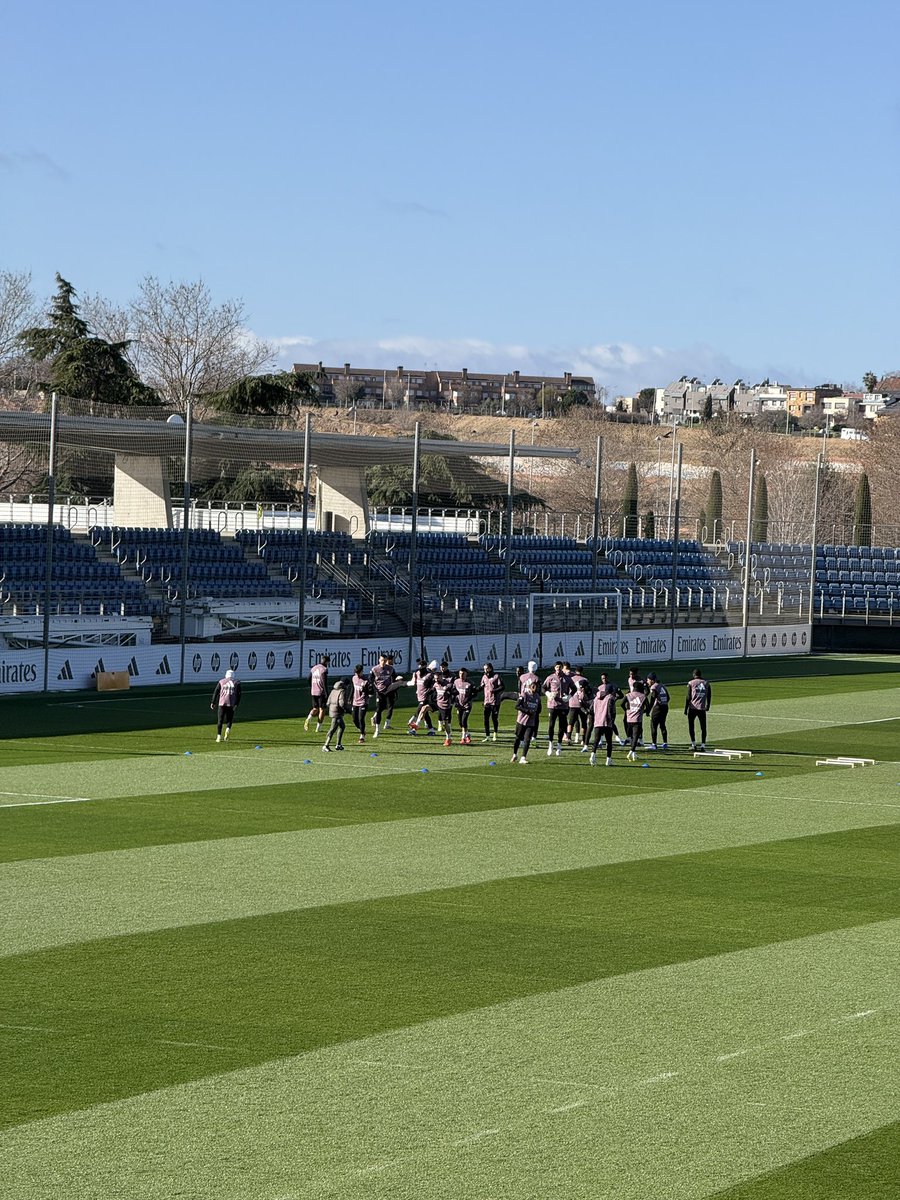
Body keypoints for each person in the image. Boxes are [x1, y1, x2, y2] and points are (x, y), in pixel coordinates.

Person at [542, 661, 574, 756]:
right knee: (551, 725)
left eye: (560, 667)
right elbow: (543, 688)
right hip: (552, 705)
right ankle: (550, 744)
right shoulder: (551, 677)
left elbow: (575, 689)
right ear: (554, 668)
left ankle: (559, 745)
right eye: (557, 667)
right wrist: (548, 694)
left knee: (562, 726)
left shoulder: (567, 678)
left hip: (563, 706)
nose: (558, 669)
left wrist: (569, 696)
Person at [589, 676, 620, 766]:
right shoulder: (610, 698)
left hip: (597, 722)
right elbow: (611, 711)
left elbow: (591, 710)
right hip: (606, 722)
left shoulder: (596, 698)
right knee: (609, 742)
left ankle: (592, 755)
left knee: (596, 740)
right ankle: (608, 759)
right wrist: (612, 720)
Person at [368, 653, 401, 739]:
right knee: (379, 710)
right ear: (379, 660)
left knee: (390, 706)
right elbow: (370, 679)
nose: (383, 662)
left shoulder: (390, 669)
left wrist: (398, 678)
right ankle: (377, 730)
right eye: (382, 660)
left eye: (385, 661)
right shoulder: (375, 669)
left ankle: (387, 723)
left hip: (389, 691)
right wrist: (372, 688)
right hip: (380, 692)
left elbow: (394, 677)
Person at [511, 678, 541, 764]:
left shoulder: (537, 697)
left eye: (536, 686)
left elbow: (539, 709)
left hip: (531, 722)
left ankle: (523, 757)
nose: (535, 688)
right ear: (530, 687)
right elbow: (517, 706)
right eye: (533, 686)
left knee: (527, 739)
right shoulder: (524, 695)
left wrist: (535, 712)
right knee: (517, 738)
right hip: (521, 721)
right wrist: (527, 711)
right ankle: (515, 754)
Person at [407, 658, 437, 735]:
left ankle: (413, 727)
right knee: (425, 714)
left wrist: (428, 692)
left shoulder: (429, 675)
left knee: (420, 710)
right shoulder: (417, 673)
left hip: (426, 697)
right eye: (419, 666)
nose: (420, 669)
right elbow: (414, 682)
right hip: (419, 696)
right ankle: (431, 730)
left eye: (422, 667)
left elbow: (433, 686)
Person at [211, 668, 241, 742]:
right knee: (229, 719)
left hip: (222, 703)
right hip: (231, 703)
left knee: (220, 720)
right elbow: (239, 694)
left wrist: (213, 702)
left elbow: (216, 692)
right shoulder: (236, 682)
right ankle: (227, 729)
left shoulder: (221, 681)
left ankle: (218, 736)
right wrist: (237, 703)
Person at [685, 667, 712, 749]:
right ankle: (703, 744)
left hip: (692, 707)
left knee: (691, 726)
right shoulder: (706, 683)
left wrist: (685, 708)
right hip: (702, 708)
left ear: (694, 675)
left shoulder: (691, 683)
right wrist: (708, 705)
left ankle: (693, 744)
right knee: (703, 727)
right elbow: (709, 695)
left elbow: (688, 697)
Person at [322, 678, 351, 752]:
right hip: (337, 712)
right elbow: (342, 704)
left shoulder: (333, 690)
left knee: (342, 726)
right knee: (333, 729)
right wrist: (348, 710)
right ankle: (326, 745)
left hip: (332, 711)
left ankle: (338, 744)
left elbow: (328, 702)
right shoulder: (342, 691)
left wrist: (332, 708)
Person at [621, 679, 646, 762]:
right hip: (637, 719)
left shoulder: (628, 695)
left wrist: (626, 710)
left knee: (631, 736)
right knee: (635, 737)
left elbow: (621, 704)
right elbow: (648, 706)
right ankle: (631, 752)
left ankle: (634, 754)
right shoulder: (643, 696)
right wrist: (643, 711)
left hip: (629, 719)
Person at [479, 662, 505, 742]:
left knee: (494, 718)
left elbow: (502, 687)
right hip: (487, 702)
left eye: (486, 669)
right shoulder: (484, 677)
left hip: (495, 702)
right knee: (486, 719)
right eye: (484, 669)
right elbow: (482, 686)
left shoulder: (496, 676)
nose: (485, 670)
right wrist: (474, 690)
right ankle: (487, 735)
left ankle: (495, 733)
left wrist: (494, 690)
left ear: (490, 668)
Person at [304, 654, 330, 732]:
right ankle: (318, 728)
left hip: (314, 691)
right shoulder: (324, 669)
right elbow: (324, 683)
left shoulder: (314, 668)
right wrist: (326, 694)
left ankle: (308, 718)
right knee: (322, 709)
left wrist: (312, 686)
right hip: (321, 692)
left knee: (315, 708)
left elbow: (308, 678)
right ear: (327, 662)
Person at [646, 671, 670, 750]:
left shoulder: (654, 687)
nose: (647, 681)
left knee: (653, 725)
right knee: (662, 725)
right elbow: (668, 697)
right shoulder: (662, 685)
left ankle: (654, 744)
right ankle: (665, 743)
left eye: (648, 680)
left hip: (658, 707)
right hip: (665, 707)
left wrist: (648, 710)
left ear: (652, 680)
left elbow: (652, 700)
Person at [434, 661, 455, 745]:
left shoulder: (451, 677)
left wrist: (451, 696)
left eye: (443, 667)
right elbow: (433, 688)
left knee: (445, 722)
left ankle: (448, 737)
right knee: (425, 707)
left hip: (447, 703)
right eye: (441, 667)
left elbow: (454, 689)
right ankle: (416, 724)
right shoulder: (436, 682)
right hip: (439, 702)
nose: (442, 668)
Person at [453, 667, 474, 745]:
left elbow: (474, 694)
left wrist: (468, 700)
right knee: (460, 722)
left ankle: (463, 738)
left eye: (463, 674)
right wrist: (455, 701)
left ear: (466, 674)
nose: (461, 675)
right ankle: (467, 734)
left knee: (464, 720)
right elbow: (454, 692)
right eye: (460, 673)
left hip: (467, 705)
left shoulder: (470, 683)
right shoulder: (456, 682)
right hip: (459, 705)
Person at [351, 664, 370, 743]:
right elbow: (353, 688)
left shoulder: (366, 680)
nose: (357, 675)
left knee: (361, 718)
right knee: (354, 719)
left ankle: (362, 736)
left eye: (359, 673)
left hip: (363, 702)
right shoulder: (354, 678)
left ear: (362, 672)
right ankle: (362, 729)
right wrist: (350, 698)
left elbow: (371, 692)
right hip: (355, 701)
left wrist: (365, 689)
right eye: (356, 673)